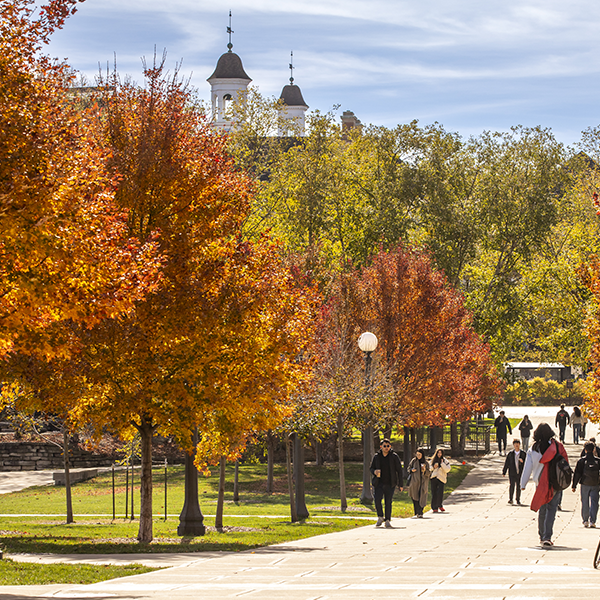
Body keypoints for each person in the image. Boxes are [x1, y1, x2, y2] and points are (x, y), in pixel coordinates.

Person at [521, 422, 569, 547]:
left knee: (542, 510)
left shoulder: (533, 449)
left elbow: (527, 468)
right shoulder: (557, 447)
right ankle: (548, 536)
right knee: (552, 509)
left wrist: (523, 483)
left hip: (540, 484)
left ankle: (542, 536)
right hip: (555, 484)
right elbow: (566, 464)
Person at [370, 438, 404, 528]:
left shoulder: (394, 456)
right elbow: (371, 468)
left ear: (390, 446)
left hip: (390, 483)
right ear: (381, 447)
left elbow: (399, 470)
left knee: (388, 502)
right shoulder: (377, 457)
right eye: (384, 446)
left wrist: (401, 484)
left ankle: (387, 520)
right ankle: (380, 517)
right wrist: (374, 472)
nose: (386, 448)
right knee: (377, 500)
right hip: (379, 482)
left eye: (388, 446)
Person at [572, 441, 600, 528]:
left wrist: (574, 485)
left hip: (584, 484)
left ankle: (585, 520)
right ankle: (593, 521)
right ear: (594, 449)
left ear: (585, 450)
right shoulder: (598, 461)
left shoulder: (582, 461)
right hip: (595, 484)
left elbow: (577, 473)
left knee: (585, 502)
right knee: (595, 502)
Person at [408, 448, 431, 518]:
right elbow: (408, 469)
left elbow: (429, 473)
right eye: (417, 454)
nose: (418, 456)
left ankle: (420, 511)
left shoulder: (426, 463)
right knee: (415, 497)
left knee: (422, 497)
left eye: (419, 455)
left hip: (423, 482)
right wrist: (412, 470)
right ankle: (417, 512)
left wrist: (424, 471)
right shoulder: (414, 461)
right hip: (415, 482)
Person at [503, 439, 526, 505]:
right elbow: (507, 463)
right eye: (515, 444)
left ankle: (518, 499)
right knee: (512, 485)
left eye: (517, 444)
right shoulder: (510, 454)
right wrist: (504, 471)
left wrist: (522, 462)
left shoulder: (523, 454)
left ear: (519, 444)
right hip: (512, 472)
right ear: (513, 445)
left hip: (520, 472)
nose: (516, 445)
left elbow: (527, 463)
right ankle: (510, 499)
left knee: (518, 486)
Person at [430, 448, 451, 513]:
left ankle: (439, 505)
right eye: (438, 453)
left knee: (440, 493)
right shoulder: (432, 460)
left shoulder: (445, 461)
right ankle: (434, 507)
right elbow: (429, 468)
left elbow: (448, 469)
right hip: (434, 477)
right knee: (434, 493)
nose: (439, 454)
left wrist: (442, 464)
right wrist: (433, 467)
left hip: (441, 478)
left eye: (440, 453)